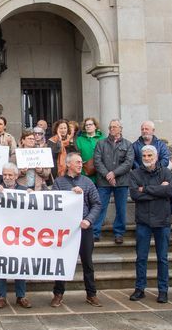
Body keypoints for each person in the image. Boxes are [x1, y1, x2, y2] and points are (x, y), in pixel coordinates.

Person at [51, 152, 103, 308]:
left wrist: (88, 220)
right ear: (68, 164)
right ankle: (58, 294)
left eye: (81, 162)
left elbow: (97, 204)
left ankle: (91, 294)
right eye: (77, 162)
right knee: (62, 261)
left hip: (84, 229)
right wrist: (69, 194)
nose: (81, 164)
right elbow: (53, 202)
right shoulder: (59, 183)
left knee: (87, 262)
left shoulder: (87, 182)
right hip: (65, 231)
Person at [128, 145, 172, 303]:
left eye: (150, 155)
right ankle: (140, 288)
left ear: (156, 157)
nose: (147, 158)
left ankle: (163, 290)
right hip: (143, 221)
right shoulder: (135, 174)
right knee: (141, 257)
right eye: (145, 155)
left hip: (162, 221)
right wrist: (157, 190)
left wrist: (146, 189)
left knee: (162, 258)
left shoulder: (166, 172)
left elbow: (169, 192)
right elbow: (135, 195)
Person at [0, 162, 32, 309]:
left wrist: (31, 196)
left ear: (16, 176)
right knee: (1, 264)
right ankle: (1, 296)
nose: (7, 177)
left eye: (10, 175)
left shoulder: (24, 190)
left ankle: (21, 296)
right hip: (0, 234)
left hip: (19, 235)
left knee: (19, 264)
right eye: (5, 174)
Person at [92, 120, 133, 244]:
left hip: (122, 181)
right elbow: (97, 161)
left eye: (115, 127)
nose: (112, 129)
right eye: (110, 127)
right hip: (103, 182)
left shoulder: (128, 144)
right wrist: (108, 175)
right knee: (100, 206)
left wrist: (114, 173)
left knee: (121, 208)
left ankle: (119, 233)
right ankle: (95, 232)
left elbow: (128, 162)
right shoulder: (101, 143)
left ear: (121, 129)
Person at [75, 117, 103, 183]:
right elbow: (77, 155)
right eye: (86, 125)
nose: (88, 126)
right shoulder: (79, 139)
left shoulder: (103, 138)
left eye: (90, 124)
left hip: (101, 173)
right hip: (85, 172)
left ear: (95, 126)